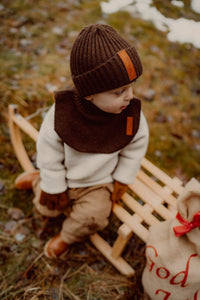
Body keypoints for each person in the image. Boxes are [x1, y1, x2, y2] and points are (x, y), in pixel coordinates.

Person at [15, 24, 149, 259]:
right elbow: (48, 151)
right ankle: (39, 181)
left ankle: (67, 237)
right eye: (119, 91)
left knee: (94, 217)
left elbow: (135, 148)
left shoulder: (130, 115)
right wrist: (53, 185)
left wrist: (122, 178)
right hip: (65, 174)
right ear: (89, 93)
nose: (129, 96)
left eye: (131, 87)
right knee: (46, 208)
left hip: (99, 183)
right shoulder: (62, 115)